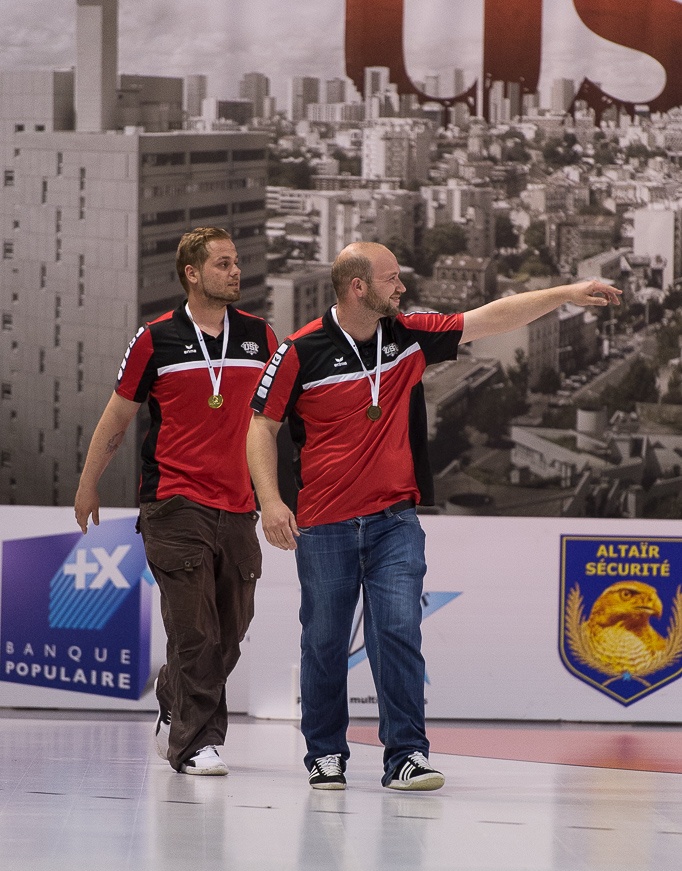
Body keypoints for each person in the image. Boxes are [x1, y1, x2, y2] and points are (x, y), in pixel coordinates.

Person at [246, 241, 621, 792]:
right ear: (358, 288)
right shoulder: (300, 351)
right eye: (392, 279)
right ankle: (325, 753)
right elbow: (261, 427)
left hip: (396, 520)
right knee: (323, 640)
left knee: (398, 631)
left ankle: (407, 755)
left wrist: (568, 293)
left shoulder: (410, 333)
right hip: (325, 522)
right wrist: (271, 501)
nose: (401, 288)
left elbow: (491, 317)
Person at [75, 226, 278, 775]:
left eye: (236, 263)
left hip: (239, 504)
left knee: (229, 635)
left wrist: (280, 496)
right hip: (173, 503)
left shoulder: (261, 337)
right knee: (195, 631)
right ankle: (196, 744)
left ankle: (172, 699)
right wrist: (88, 482)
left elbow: (282, 418)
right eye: (223, 264)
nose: (236, 272)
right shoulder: (156, 338)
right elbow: (117, 419)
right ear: (192, 273)